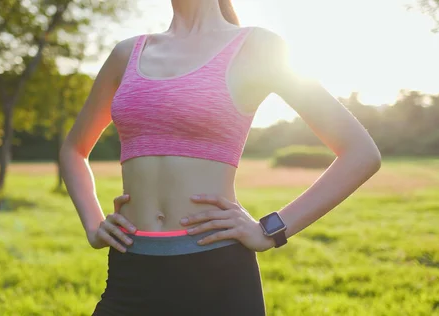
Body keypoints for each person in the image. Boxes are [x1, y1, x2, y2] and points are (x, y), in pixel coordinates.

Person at [59, 0, 382, 315]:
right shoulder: (125, 54)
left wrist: (270, 229)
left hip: (217, 274)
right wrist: (93, 225)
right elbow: (74, 149)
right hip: (131, 268)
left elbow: (360, 153)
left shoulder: (259, 47)